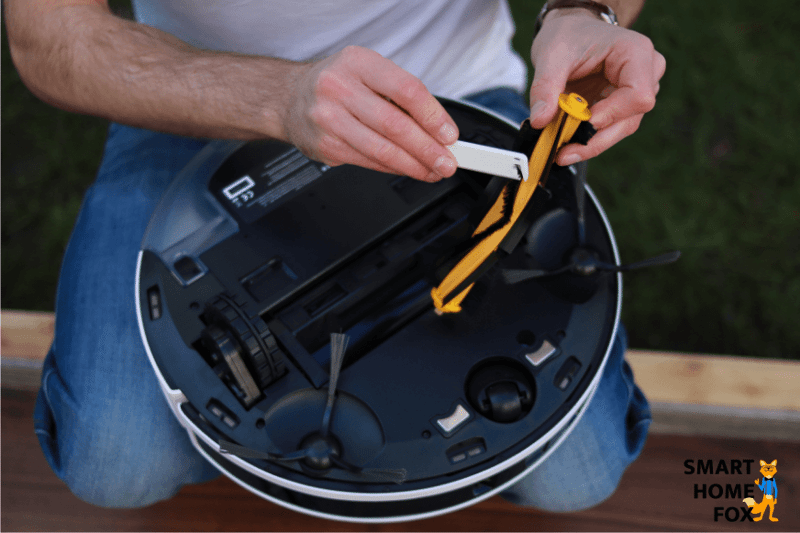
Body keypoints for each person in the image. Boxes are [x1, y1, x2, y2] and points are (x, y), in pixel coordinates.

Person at [6, 0, 664, 512]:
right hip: (197, 97)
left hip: (448, 107)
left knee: (582, 474)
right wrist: (277, 96)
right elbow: (52, 36)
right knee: (115, 461)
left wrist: (586, 14)